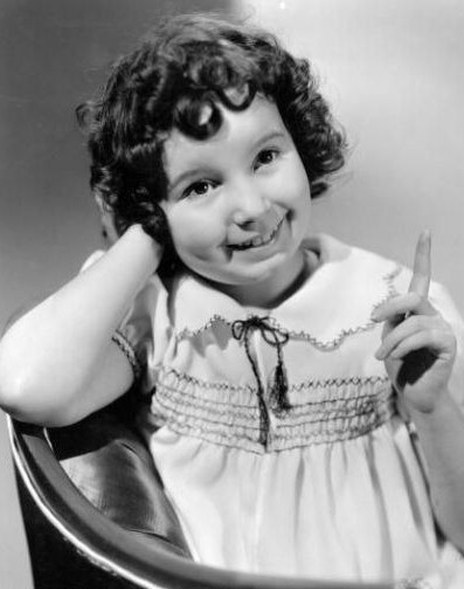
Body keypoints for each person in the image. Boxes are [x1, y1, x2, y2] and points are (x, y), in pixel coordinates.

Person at [1, 12, 464, 588]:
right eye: (200, 186)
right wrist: (144, 234)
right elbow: (21, 384)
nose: (251, 207)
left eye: (266, 157)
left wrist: (432, 409)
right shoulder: (160, 318)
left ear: (301, 144)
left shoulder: (397, 309)